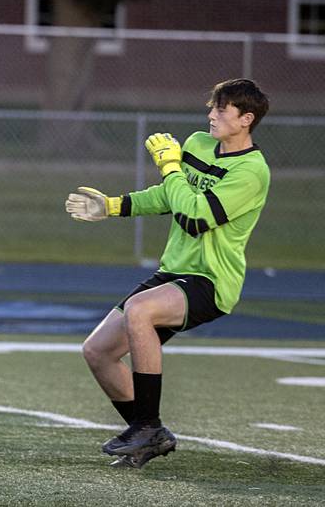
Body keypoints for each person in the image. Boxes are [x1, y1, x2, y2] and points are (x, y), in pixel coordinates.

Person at [64, 78, 270, 468]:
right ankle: (149, 437)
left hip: (211, 280)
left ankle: (147, 426)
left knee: (140, 310)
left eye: (221, 111)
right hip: (174, 271)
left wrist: (171, 166)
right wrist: (112, 205)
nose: (211, 115)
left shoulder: (253, 171)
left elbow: (195, 217)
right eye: (212, 108)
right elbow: (168, 197)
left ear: (246, 119)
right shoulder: (198, 144)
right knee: (98, 351)